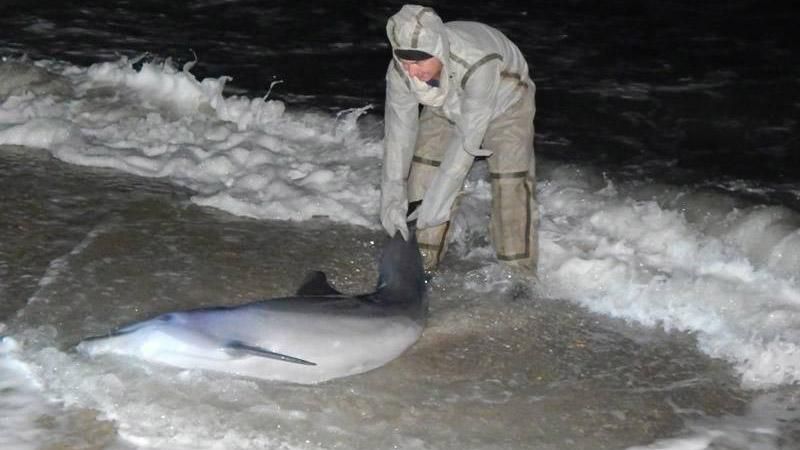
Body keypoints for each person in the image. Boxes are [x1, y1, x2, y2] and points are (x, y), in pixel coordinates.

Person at [380, 4, 538, 274]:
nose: (412, 71)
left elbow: (466, 144)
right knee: (423, 175)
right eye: (405, 62)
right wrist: (391, 195)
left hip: (506, 101)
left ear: (438, 50)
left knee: (510, 182)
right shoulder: (402, 71)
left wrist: (438, 203)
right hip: (445, 101)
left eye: (418, 62)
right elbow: (398, 133)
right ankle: (423, 265)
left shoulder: (478, 62)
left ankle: (518, 274)